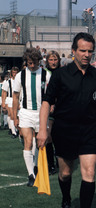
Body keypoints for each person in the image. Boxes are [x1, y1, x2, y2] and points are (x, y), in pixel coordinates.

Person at [36, 33, 96, 208]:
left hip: (89, 131)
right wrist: (43, 129)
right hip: (64, 130)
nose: (87, 55)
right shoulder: (60, 75)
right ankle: (66, 200)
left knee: (89, 173)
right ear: (74, 51)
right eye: (82, 50)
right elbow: (47, 102)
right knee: (65, 173)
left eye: (90, 51)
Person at [12, 48, 51, 186]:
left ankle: (35, 166)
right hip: (26, 113)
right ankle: (31, 175)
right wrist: (15, 117)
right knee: (28, 142)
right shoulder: (20, 76)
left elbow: (51, 95)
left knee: (39, 143)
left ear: (39, 61)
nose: (32, 65)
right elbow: (15, 96)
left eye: (34, 62)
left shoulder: (46, 75)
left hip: (41, 113)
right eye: (29, 63)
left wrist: (52, 106)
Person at [44, 51, 61, 175]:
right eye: (51, 60)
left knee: (59, 137)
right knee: (48, 136)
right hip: (48, 108)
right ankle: (50, 164)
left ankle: (59, 159)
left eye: (55, 60)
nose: (53, 62)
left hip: (61, 109)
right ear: (47, 61)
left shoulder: (63, 73)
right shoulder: (43, 73)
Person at [1, 68, 19, 138]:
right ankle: (14, 132)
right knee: (12, 115)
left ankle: (14, 129)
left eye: (16, 72)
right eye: (13, 72)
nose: (15, 74)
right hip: (10, 99)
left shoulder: (20, 80)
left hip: (18, 99)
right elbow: (4, 92)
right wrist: (3, 103)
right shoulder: (7, 81)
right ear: (11, 73)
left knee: (16, 116)